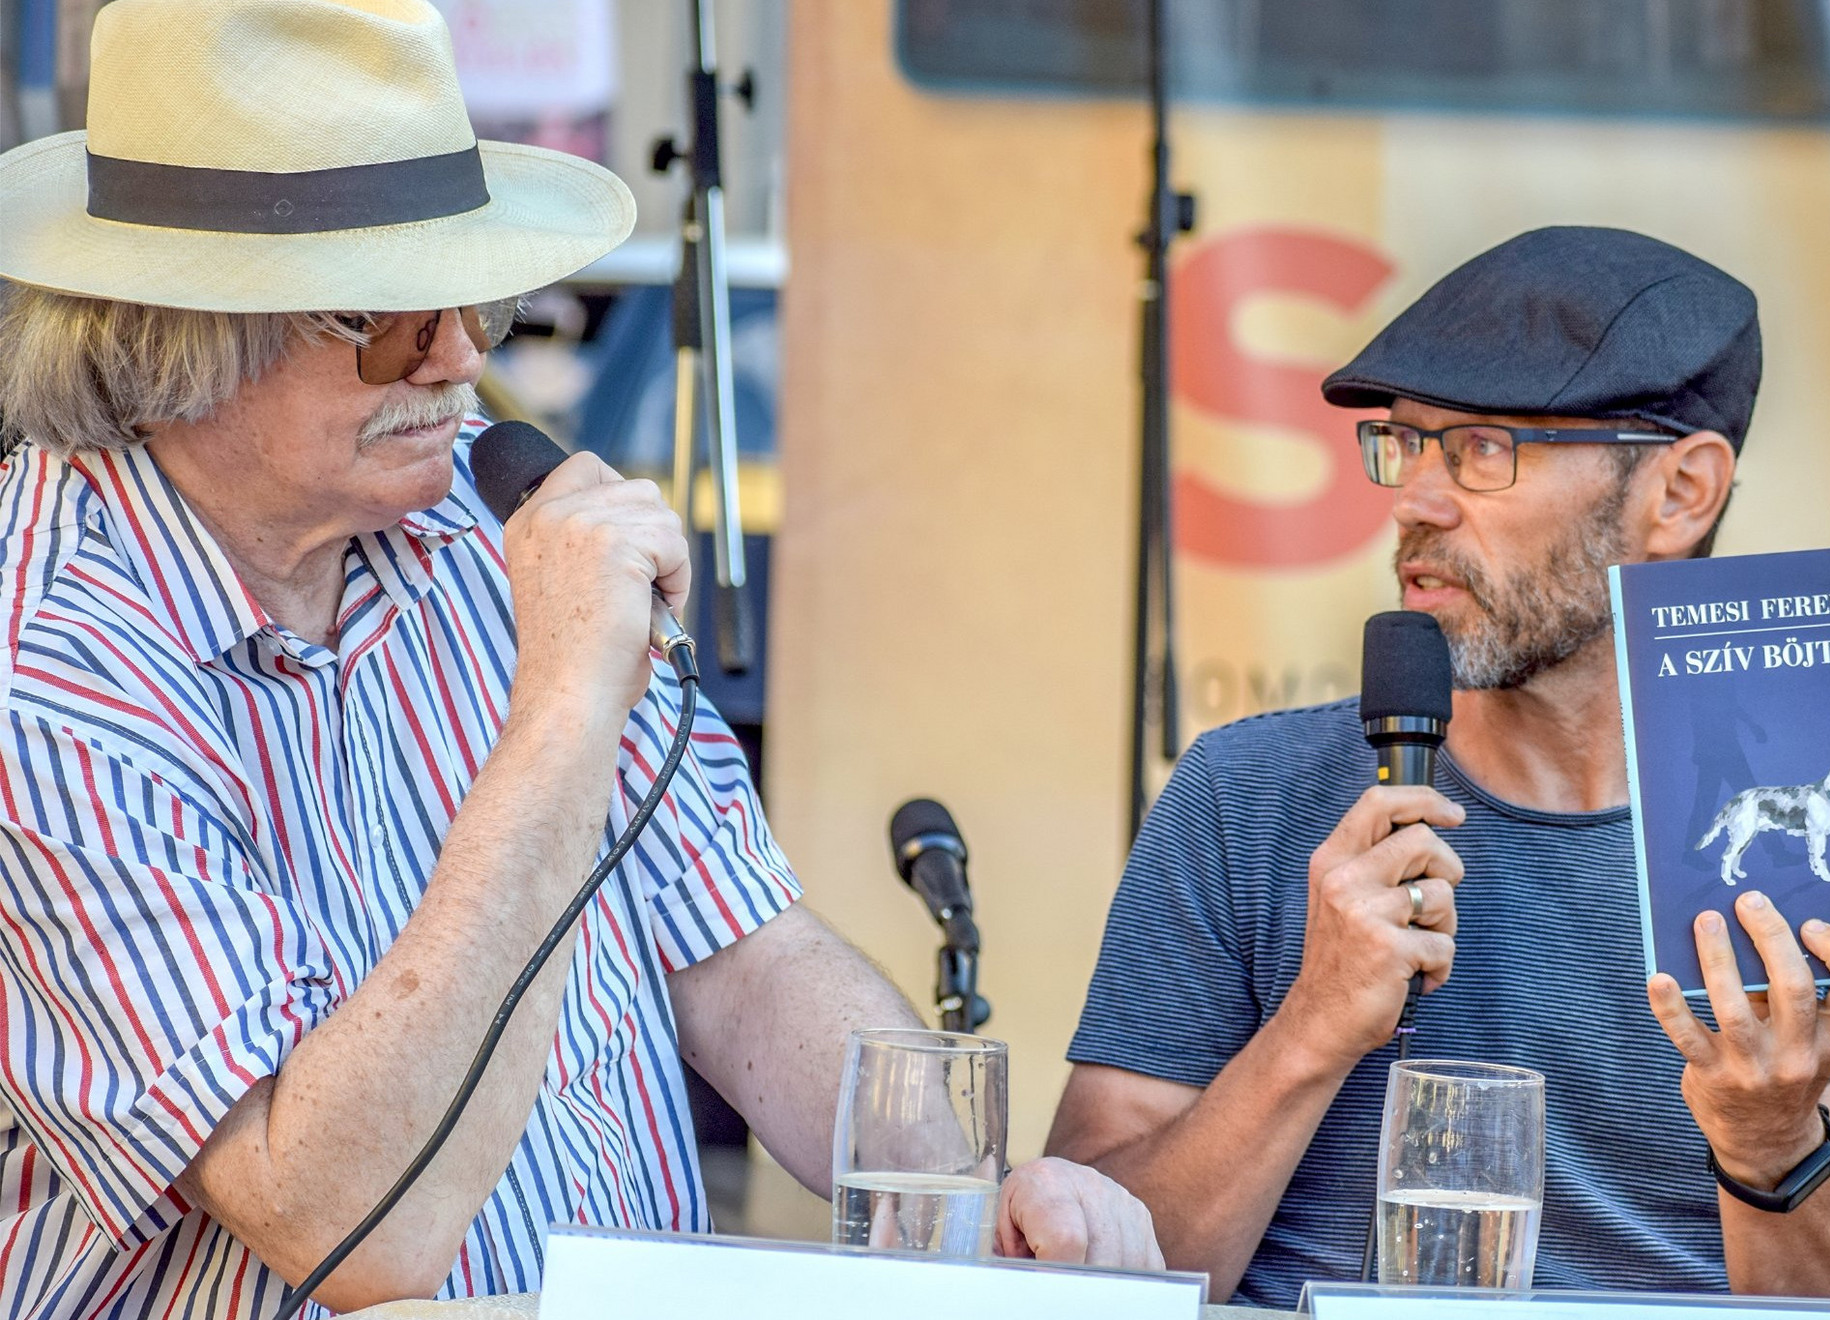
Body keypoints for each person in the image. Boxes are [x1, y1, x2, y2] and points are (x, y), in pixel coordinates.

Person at [0, 3, 1159, 1316]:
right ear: (179, 337)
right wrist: (562, 705)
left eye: (481, 294)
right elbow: (342, 1227)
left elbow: (745, 957)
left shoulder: (486, 530)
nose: (465, 355)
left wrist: (972, 1204)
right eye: (393, 316)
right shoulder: (43, 670)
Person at [1046, 226, 1830, 1307]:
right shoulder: (1243, 795)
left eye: (1484, 449)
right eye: (1407, 443)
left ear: (1680, 494)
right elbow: (1088, 1275)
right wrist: (1312, 1028)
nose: (1417, 500)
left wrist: (1771, 1147)